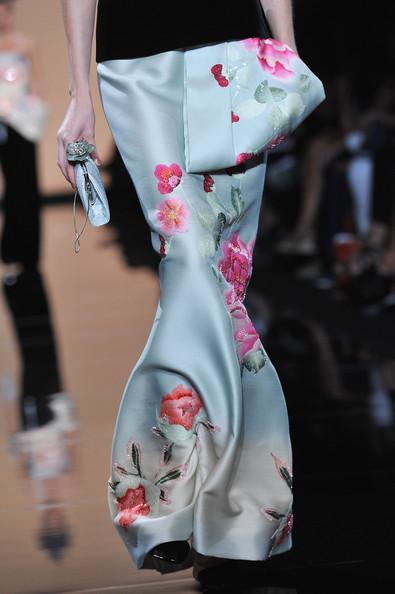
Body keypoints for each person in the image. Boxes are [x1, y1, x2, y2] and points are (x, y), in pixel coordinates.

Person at [57, 0, 297, 585]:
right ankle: (170, 504)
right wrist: (78, 93)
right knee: (190, 261)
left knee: (223, 286)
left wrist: (286, 55)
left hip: (236, 58)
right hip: (138, 65)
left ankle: (223, 512)